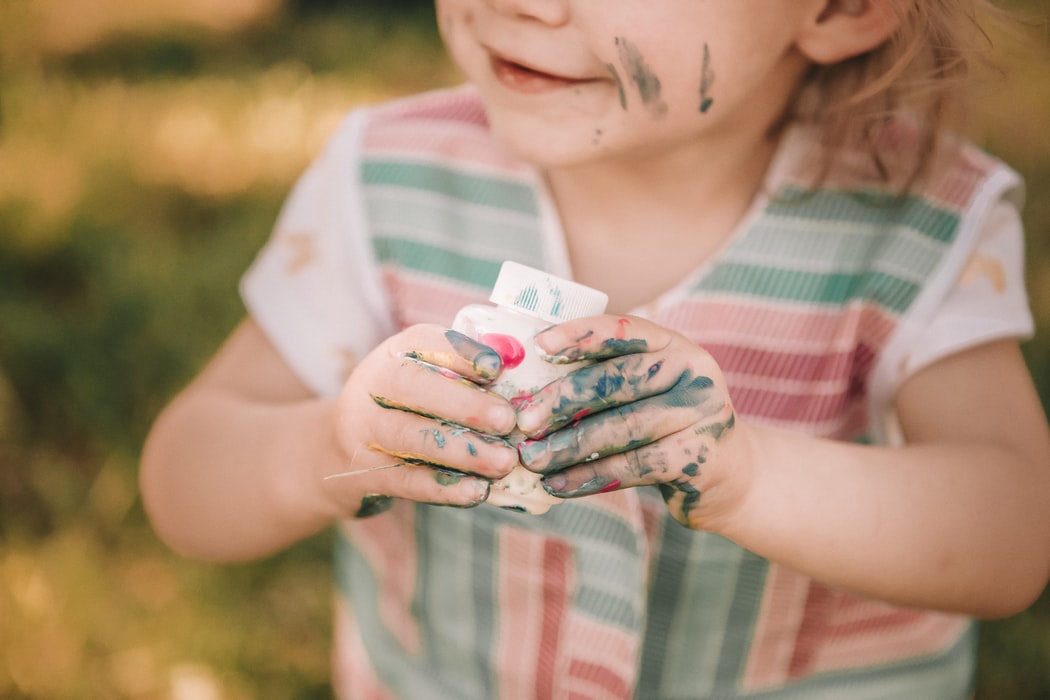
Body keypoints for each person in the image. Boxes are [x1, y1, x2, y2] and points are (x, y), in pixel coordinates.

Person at [140, 0, 1050, 697]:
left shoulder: (916, 225)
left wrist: (752, 478)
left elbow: (1013, 529)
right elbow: (185, 479)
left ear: (842, 8)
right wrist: (327, 450)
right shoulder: (385, 184)